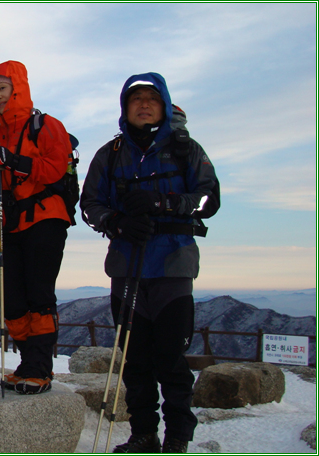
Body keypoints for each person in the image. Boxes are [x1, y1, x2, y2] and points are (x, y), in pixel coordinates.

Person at [80, 72, 220, 453]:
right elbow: (89, 205)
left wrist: (165, 204)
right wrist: (117, 222)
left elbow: (209, 200)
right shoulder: (109, 155)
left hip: (173, 268)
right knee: (135, 362)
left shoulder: (185, 149)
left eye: (151, 99)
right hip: (127, 269)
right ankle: (143, 434)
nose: (143, 105)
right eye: (135, 99)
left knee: (171, 362)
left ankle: (177, 438)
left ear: (163, 104)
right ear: (125, 108)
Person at [0, 61, 73, 395]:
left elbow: (56, 168)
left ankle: (40, 368)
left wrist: (14, 161)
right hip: (9, 224)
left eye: (2, 89)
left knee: (39, 294)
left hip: (45, 219)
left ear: (17, 87)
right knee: (12, 300)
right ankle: (26, 365)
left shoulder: (46, 125)